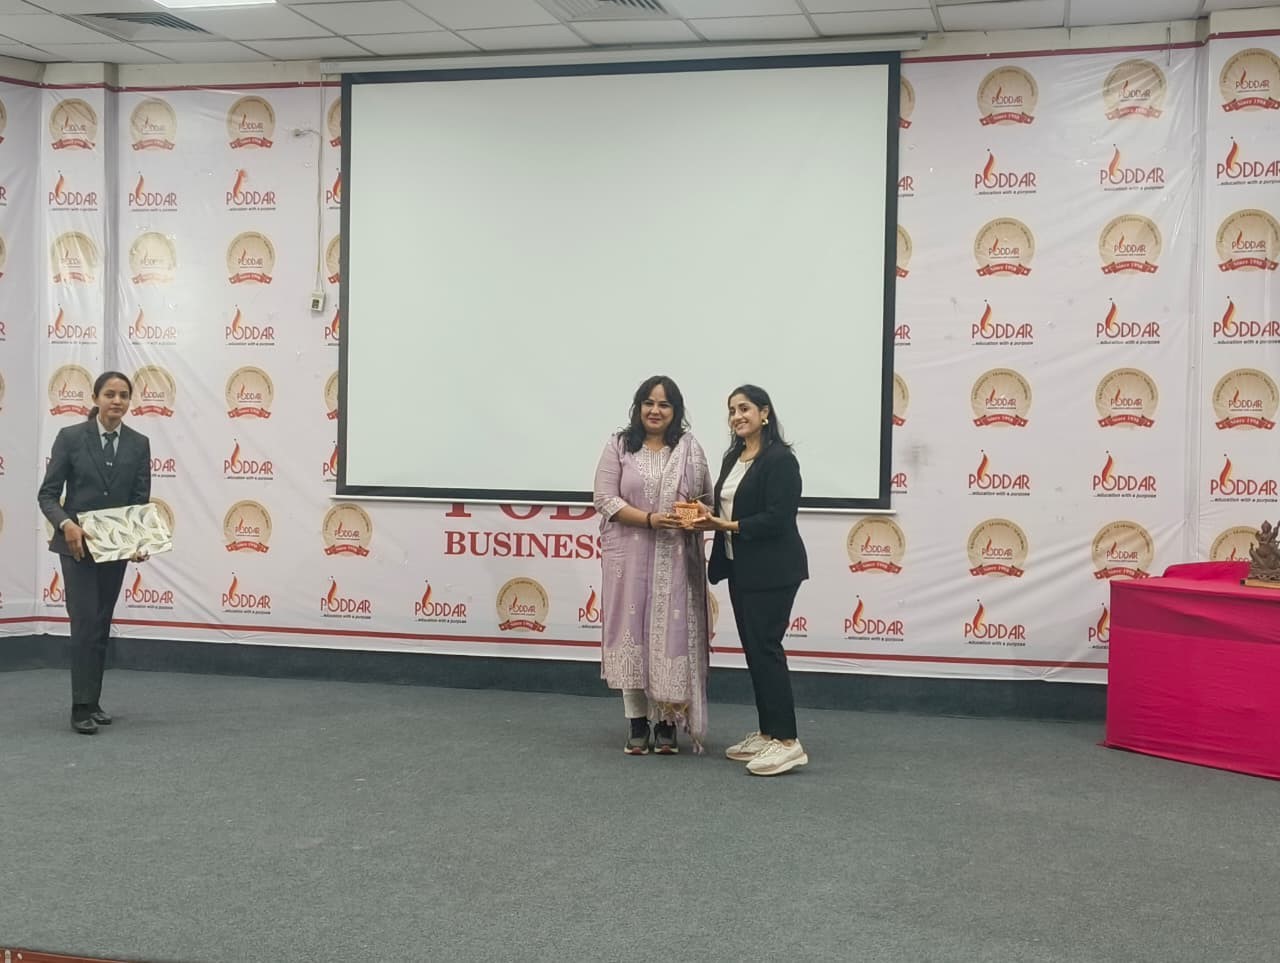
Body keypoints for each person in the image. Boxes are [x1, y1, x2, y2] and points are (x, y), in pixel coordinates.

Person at [694, 384, 809, 776]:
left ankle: (788, 742)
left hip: (774, 570)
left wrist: (725, 525)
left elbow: (778, 518)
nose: (737, 416)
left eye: (744, 408)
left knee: (766, 649)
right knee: (754, 652)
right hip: (739, 567)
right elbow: (726, 505)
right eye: (731, 411)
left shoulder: (780, 460)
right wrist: (702, 514)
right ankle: (767, 732)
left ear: (764, 413)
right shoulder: (734, 456)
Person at [593, 375, 712, 755]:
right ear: (638, 407)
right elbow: (604, 499)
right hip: (627, 558)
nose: (655, 410)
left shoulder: (689, 450)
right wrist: (649, 519)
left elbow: (706, 500)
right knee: (630, 632)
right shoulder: (619, 446)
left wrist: (695, 513)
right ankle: (637, 722)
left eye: (664, 404)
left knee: (670, 634)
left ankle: (666, 722)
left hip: (675, 558)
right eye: (648, 402)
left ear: (676, 411)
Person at [38, 371, 152, 735]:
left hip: (115, 549)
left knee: (101, 623)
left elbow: (139, 501)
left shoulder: (139, 443)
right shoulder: (70, 437)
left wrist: (138, 541)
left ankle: (93, 701)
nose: (117, 401)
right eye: (110, 394)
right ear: (96, 398)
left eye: (123, 395)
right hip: (77, 548)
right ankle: (79, 707)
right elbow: (47, 495)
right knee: (85, 622)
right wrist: (65, 525)